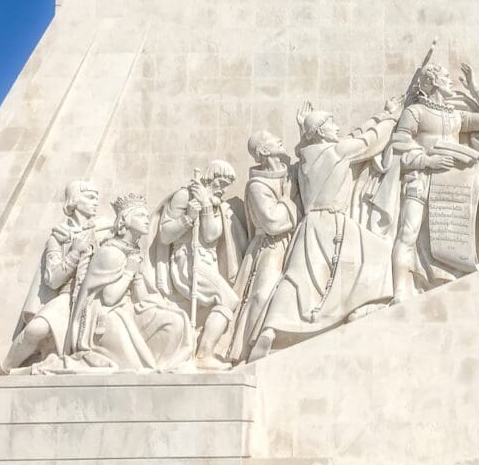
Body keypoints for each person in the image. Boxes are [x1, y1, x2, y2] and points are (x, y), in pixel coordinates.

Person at [247, 99, 400, 361]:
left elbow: (317, 144)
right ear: (320, 131)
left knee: (298, 278)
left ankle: (270, 329)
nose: (337, 127)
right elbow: (368, 141)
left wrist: (302, 132)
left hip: (310, 226)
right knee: (380, 253)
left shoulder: (305, 158)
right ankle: (360, 306)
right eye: (331, 123)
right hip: (335, 222)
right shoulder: (337, 152)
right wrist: (390, 117)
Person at [387, 62, 479, 303]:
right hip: (422, 178)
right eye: (444, 76)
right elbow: (398, 145)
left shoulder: (455, 117)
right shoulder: (415, 112)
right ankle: (399, 291)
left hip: (453, 180)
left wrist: (475, 88)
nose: (450, 80)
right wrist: (427, 160)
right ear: (431, 83)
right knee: (408, 232)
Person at [68, 194, 193, 372]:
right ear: (125, 220)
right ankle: (150, 367)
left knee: (175, 320)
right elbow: (109, 298)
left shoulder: (132, 251)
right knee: (135, 367)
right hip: (105, 317)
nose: (146, 220)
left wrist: (158, 304)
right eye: (140, 215)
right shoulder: (110, 253)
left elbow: (140, 295)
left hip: (127, 308)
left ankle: (165, 368)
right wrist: (129, 271)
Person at [0, 181, 108, 373]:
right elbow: (53, 280)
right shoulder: (59, 237)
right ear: (74, 201)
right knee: (35, 330)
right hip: (67, 295)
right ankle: (4, 368)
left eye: (96, 198)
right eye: (89, 197)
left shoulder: (103, 229)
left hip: (94, 295)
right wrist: (74, 252)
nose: (95, 203)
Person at [149, 160, 248, 369]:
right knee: (228, 299)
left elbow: (211, 234)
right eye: (221, 182)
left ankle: (202, 352)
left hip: (207, 261)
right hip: (187, 261)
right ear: (209, 178)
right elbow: (165, 235)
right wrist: (188, 217)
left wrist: (205, 206)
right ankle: (203, 355)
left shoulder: (214, 205)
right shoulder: (184, 196)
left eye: (227, 185)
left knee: (228, 300)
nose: (223, 189)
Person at [228, 130, 299, 362]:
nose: (280, 138)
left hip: (292, 242)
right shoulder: (257, 186)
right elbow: (273, 222)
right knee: (261, 294)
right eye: (272, 138)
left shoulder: (289, 175)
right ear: (264, 151)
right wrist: (289, 199)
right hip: (269, 247)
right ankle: (246, 351)